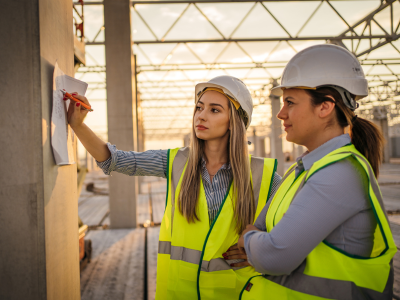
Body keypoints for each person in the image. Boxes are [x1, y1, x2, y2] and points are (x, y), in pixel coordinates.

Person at [67, 75, 281, 300]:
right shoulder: (175, 162)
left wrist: (262, 249)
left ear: (235, 121)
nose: (201, 115)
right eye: (199, 107)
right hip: (181, 293)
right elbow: (116, 160)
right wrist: (78, 125)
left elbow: (295, 233)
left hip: (236, 294)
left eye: (214, 110)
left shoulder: (265, 175)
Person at [224, 45, 397, 299]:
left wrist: (250, 240)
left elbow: (274, 255)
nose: (281, 114)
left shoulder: (340, 173)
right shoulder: (301, 170)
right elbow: (261, 228)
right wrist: (257, 242)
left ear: (325, 107)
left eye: (290, 103)